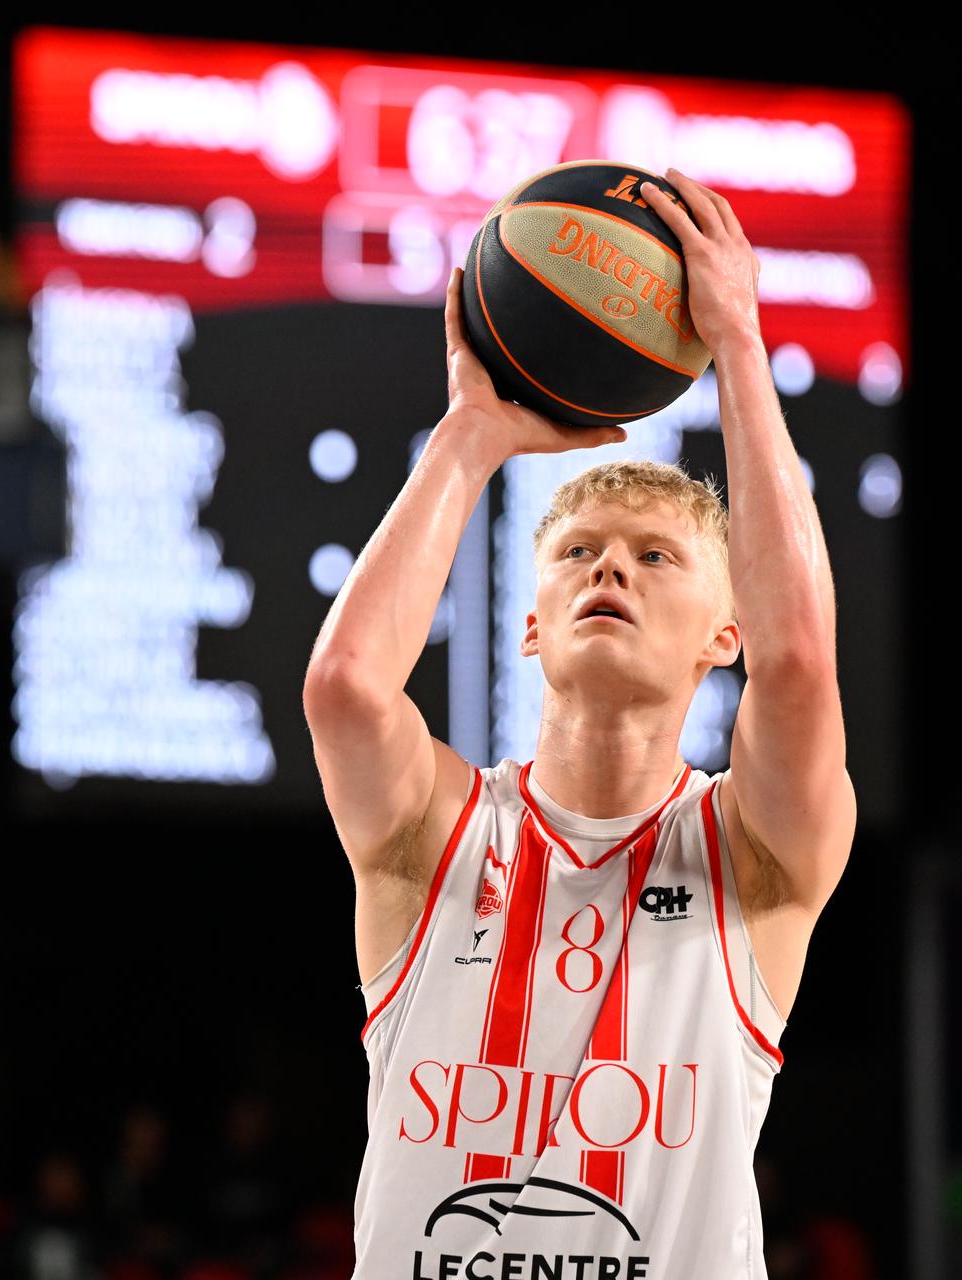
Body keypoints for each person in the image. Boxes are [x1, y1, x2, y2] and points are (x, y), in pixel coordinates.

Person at [302, 167, 856, 1275]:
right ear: (532, 625)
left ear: (725, 635)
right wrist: (471, 432)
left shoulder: (751, 853)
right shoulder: (439, 833)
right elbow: (346, 686)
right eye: (579, 553)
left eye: (656, 556)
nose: (612, 567)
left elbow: (800, 662)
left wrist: (740, 344)